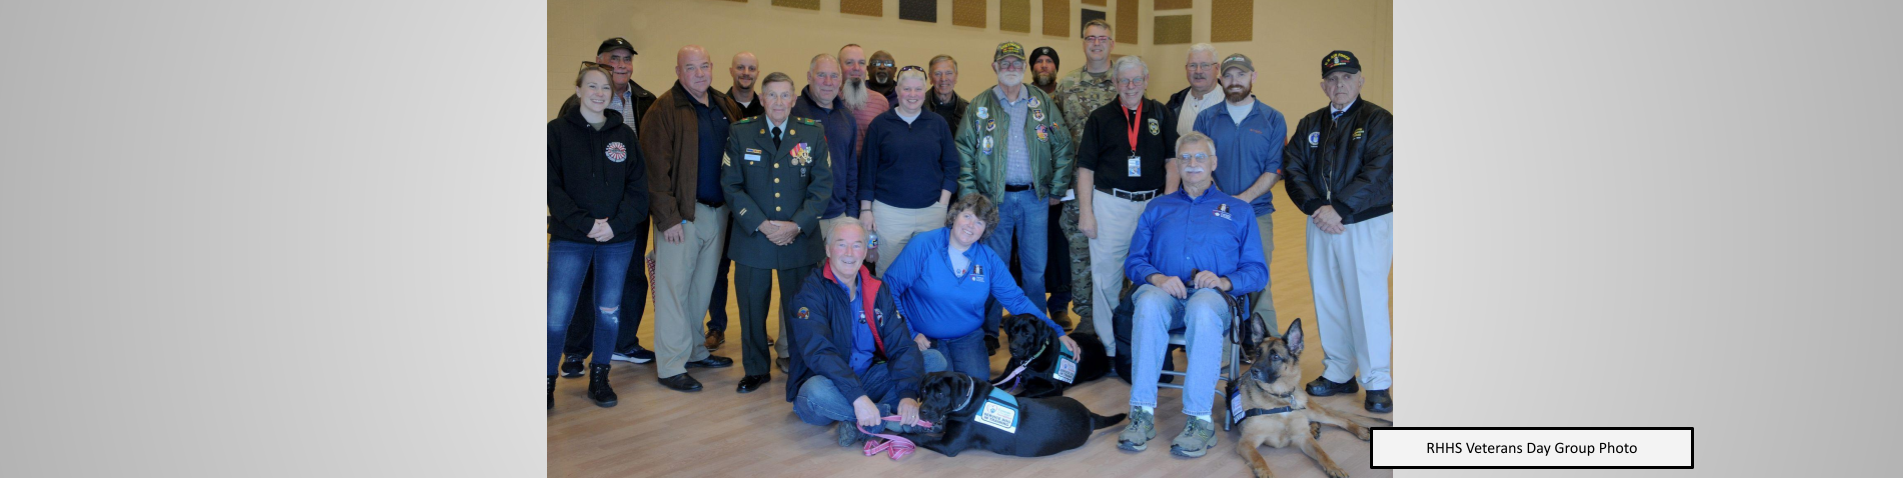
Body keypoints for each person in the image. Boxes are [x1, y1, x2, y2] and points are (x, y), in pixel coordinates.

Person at [1117, 131, 1267, 457]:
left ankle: (1200, 420)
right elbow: (1134, 261)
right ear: (1177, 165)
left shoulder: (1238, 210)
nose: (1192, 163)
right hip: (1167, 296)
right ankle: (1141, 413)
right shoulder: (1158, 207)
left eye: (1200, 157)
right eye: (1185, 157)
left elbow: (1258, 271)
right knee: (1148, 302)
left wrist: (1224, 281)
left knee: (1202, 306)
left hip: (1214, 300)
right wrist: (1156, 277)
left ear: (1213, 163)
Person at [1282, 50, 1393, 414]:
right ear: (1323, 85)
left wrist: (1340, 208)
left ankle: (1377, 381)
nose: (1339, 84)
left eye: (1347, 77)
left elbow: (1379, 171)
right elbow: (1293, 167)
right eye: (1332, 79)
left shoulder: (1378, 120)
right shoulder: (1311, 123)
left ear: (1360, 81)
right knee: (1327, 297)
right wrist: (1317, 206)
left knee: (1367, 301)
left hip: (1363, 223)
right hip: (1320, 221)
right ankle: (1340, 371)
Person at [954, 41, 1073, 355]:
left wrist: (1056, 188)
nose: (1010, 67)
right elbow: (964, 152)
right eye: (1004, 62)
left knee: (1035, 270)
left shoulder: (1041, 103)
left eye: (1016, 63)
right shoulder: (980, 105)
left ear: (1024, 67)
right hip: (994, 202)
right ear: (994, 66)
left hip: (1034, 199)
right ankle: (989, 331)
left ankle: (1036, 331)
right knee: (994, 268)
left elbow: (1063, 145)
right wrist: (972, 200)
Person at [787, 218, 948, 447]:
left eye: (857, 245)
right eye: (841, 244)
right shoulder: (810, 292)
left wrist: (908, 395)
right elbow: (819, 352)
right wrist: (857, 397)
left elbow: (901, 344)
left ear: (864, 251)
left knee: (934, 360)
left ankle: (859, 421)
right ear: (828, 250)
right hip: (829, 383)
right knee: (815, 393)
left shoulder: (877, 288)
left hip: (869, 378)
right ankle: (885, 417)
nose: (849, 252)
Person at [721, 72, 835, 394]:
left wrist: (797, 224)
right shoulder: (741, 132)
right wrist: (761, 223)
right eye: (772, 95)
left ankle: (801, 367)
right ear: (762, 98)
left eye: (785, 95)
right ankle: (756, 369)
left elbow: (822, 186)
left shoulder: (812, 133)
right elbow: (731, 184)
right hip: (753, 236)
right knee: (751, 308)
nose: (779, 102)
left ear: (794, 99)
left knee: (800, 310)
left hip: (798, 238)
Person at [882, 194, 1076, 379]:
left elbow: (1017, 300)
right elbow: (890, 288)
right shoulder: (923, 244)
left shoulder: (988, 258)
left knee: (977, 382)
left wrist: (1056, 331)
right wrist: (910, 332)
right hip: (923, 334)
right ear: (954, 216)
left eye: (979, 222)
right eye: (967, 216)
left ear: (986, 229)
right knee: (941, 379)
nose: (970, 226)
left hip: (966, 335)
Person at [548, 62, 651, 409]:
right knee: (556, 315)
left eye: (605, 88)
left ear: (612, 95)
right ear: (578, 90)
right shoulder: (556, 133)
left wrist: (615, 225)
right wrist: (586, 224)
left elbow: (638, 190)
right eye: (591, 86)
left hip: (616, 241)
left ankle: (600, 377)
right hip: (570, 239)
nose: (598, 93)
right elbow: (551, 187)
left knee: (609, 311)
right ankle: (546, 382)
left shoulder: (625, 136)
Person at [640, 45, 740, 393]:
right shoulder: (664, 109)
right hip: (681, 217)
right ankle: (670, 366)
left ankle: (696, 350)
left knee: (701, 290)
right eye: (691, 67)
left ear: (712, 67)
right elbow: (654, 170)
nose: (699, 73)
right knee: (674, 292)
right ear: (678, 71)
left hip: (717, 213)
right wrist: (668, 218)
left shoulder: (724, 105)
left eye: (704, 66)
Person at [1076, 55, 1179, 355]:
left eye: (1136, 80)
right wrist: (1086, 212)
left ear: (1146, 81)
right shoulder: (1100, 118)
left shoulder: (1161, 113)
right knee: (1106, 278)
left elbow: (1172, 161)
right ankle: (1112, 349)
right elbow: (1086, 169)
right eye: (1124, 80)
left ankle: (1152, 343)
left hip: (1153, 204)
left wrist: (1167, 205)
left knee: (1155, 271)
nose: (1130, 86)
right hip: (1111, 204)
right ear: (1114, 82)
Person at [1191, 53, 1288, 340]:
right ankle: (1218, 342)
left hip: (1257, 212)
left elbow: (1274, 169)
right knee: (1215, 276)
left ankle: (1264, 344)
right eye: (1229, 75)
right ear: (1221, 78)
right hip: (1213, 213)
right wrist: (1221, 202)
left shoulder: (1272, 118)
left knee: (1258, 278)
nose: (1235, 81)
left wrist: (1240, 201)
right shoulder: (1207, 118)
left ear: (1253, 77)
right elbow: (1199, 165)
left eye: (1241, 75)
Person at [789, 53, 861, 372]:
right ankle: (792, 352)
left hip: (839, 215)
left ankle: (834, 349)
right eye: (822, 75)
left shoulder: (846, 117)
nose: (828, 82)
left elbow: (852, 169)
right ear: (809, 76)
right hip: (805, 217)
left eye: (834, 76)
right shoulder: (794, 112)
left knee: (838, 288)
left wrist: (852, 214)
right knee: (800, 289)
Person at [1053, 19, 1120, 343]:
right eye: (1090, 38)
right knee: (1079, 254)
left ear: (1111, 43)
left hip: (1114, 187)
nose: (1096, 43)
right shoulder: (1067, 85)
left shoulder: (1123, 82)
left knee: (1115, 253)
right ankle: (1087, 319)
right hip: (1076, 187)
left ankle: (1117, 316)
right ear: (1083, 43)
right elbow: (1054, 137)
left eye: (1102, 38)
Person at [858, 66, 957, 276]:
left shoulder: (938, 124)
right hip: (889, 214)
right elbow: (867, 170)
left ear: (925, 91)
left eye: (918, 89)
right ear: (898, 90)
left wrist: (943, 203)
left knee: (929, 272)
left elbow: (951, 165)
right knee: (889, 272)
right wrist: (866, 210)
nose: (913, 95)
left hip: (931, 212)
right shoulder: (880, 125)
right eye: (907, 89)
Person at [705, 51, 763, 352]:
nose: (746, 72)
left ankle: (755, 328)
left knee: (753, 271)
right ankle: (716, 327)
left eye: (751, 68)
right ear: (731, 70)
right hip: (725, 201)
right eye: (741, 67)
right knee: (719, 268)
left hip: (758, 205)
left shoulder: (765, 106)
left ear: (757, 73)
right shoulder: (718, 105)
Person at [1028, 45, 1073, 331]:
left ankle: (1059, 306)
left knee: (1059, 248)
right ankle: (1030, 309)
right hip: (1027, 189)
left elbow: (1068, 141)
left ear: (1056, 67)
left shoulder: (1066, 96)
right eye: (1039, 62)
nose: (1044, 65)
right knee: (1027, 252)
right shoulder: (1022, 96)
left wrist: (1059, 185)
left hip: (1059, 187)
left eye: (1049, 61)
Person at [839, 44, 892, 158]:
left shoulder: (880, 102)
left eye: (861, 63)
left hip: (868, 167)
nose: (856, 68)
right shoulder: (830, 99)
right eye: (849, 62)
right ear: (839, 68)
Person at [1165, 43, 1222, 136]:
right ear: (1186, 69)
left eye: (1205, 65)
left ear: (1217, 68)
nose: (1198, 71)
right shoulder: (1174, 103)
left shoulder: (1231, 101)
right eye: (1192, 65)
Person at [923, 55, 967, 136]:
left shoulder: (967, 110)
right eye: (938, 74)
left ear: (956, 76)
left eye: (949, 73)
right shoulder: (919, 107)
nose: (943, 79)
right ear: (930, 78)